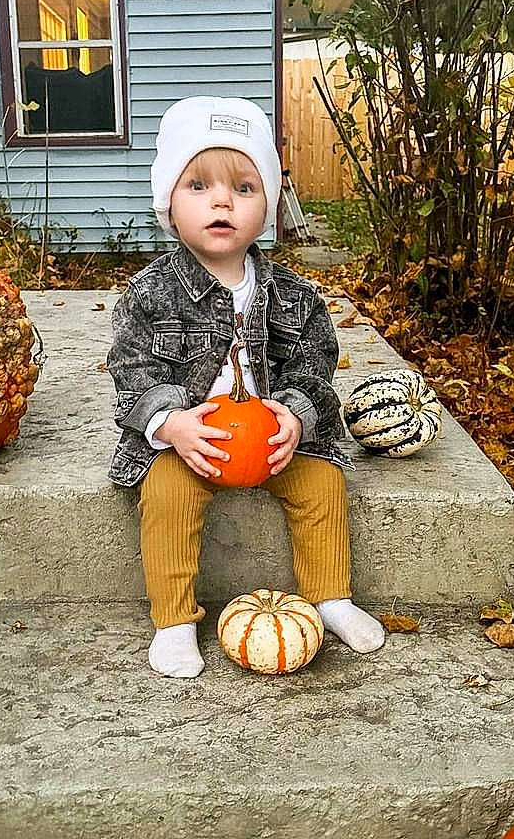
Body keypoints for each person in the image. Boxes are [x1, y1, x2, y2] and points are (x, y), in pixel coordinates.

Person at [107, 96, 385, 678]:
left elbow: (314, 365)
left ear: (267, 209)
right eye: (198, 186)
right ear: (169, 206)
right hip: (192, 439)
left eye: (244, 187)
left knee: (323, 482)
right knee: (166, 497)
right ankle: (175, 621)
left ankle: (331, 596)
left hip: (271, 435)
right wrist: (170, 424)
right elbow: (133, 371)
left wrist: (296, 417)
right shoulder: (148, 295)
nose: (222, 201)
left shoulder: (296, 297)